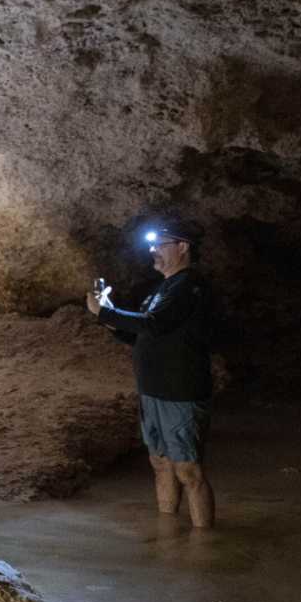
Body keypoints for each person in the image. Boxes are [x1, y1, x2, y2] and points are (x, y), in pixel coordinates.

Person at [88, 218, 216, 528]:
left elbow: (153, 323)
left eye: (159, 244)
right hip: (153, 390)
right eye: (151, 245)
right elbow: (139, 334)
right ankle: (167, 535)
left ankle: (205, 546)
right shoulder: (163, 289)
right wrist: (109, 317)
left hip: (180, 391)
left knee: (188, 470)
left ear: (182, 247)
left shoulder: (189, 286)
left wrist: (105, 311)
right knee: (160, 463)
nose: (153, 250)